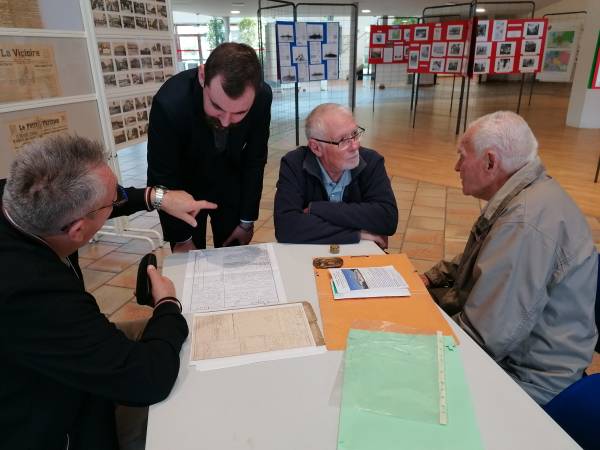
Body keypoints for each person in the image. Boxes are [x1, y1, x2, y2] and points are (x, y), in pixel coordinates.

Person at [0, 134, 212, 450]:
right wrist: (167, 303)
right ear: (77, 231)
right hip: (51, 420)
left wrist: (156, 197)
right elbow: (147, 379)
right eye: (112, 202)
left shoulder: (22, 198)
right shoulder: (32, 293)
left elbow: (94, 203)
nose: (116, 203)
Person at [420, 111, 598, 405]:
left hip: (527, 377)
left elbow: (485, 338)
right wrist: (430, 278)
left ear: (490, 162)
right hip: (518, 357)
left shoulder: (524, 223)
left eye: (462, 157)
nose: (456, 167)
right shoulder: (527, 195)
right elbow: (479, 258)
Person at [147, 42, 272, 252]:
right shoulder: (170, 103)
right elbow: (162, 176)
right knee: (190, 264)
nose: (225, 122)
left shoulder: (262, 96)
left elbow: (255, 158)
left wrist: (246, 221)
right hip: (184, 188)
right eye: (217, 107)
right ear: (203, 75)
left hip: (231, 182)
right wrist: (182, 238)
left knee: (234, 256)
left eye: (240, 113)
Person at [274, 103, 398, 248]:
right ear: (316, 147)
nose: (355, 146)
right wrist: (358, 234)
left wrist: (317, 209)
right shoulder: (294, 164)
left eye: (355, 134)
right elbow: (287, 227)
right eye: (343, 140)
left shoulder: (371, 161)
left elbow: (387, 218)